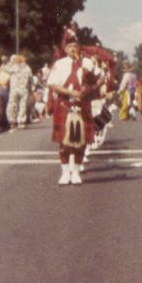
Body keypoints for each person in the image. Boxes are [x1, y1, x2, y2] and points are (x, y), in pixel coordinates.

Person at [47, 41, 102, 185]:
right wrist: (70, 92)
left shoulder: (88, 63)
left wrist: (89, 90)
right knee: (63, 142)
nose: (73, 49)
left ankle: (76, 172)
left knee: (81, 141)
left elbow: (100, 79)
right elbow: (52, 84)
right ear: (65, 49)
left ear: (79, 49)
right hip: (64, 105)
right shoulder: (60, 64)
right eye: (70, 47)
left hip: (82, 105)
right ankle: (65, 173)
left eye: (75, 47)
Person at [6, 54, 33, 129]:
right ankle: (20, 122)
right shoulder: (27, 67)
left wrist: (10, 62)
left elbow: (4, 69)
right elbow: (31, 79)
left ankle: (13, 121)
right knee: (22, 105)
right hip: (23, 89)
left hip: (15, 89)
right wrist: (31, 89)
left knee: (13, 105)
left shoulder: (13, 67)